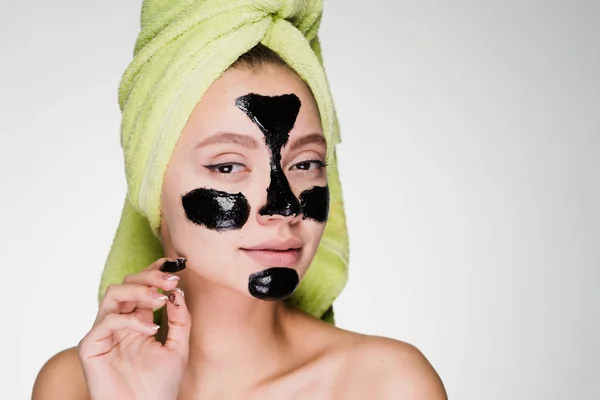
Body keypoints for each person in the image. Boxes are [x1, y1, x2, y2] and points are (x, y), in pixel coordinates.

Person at [32, 1, 447, 399]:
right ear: (152, 185)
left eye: (305, 164)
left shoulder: (385, 385)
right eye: (228, 166)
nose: (286, 207)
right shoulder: (76, 383)